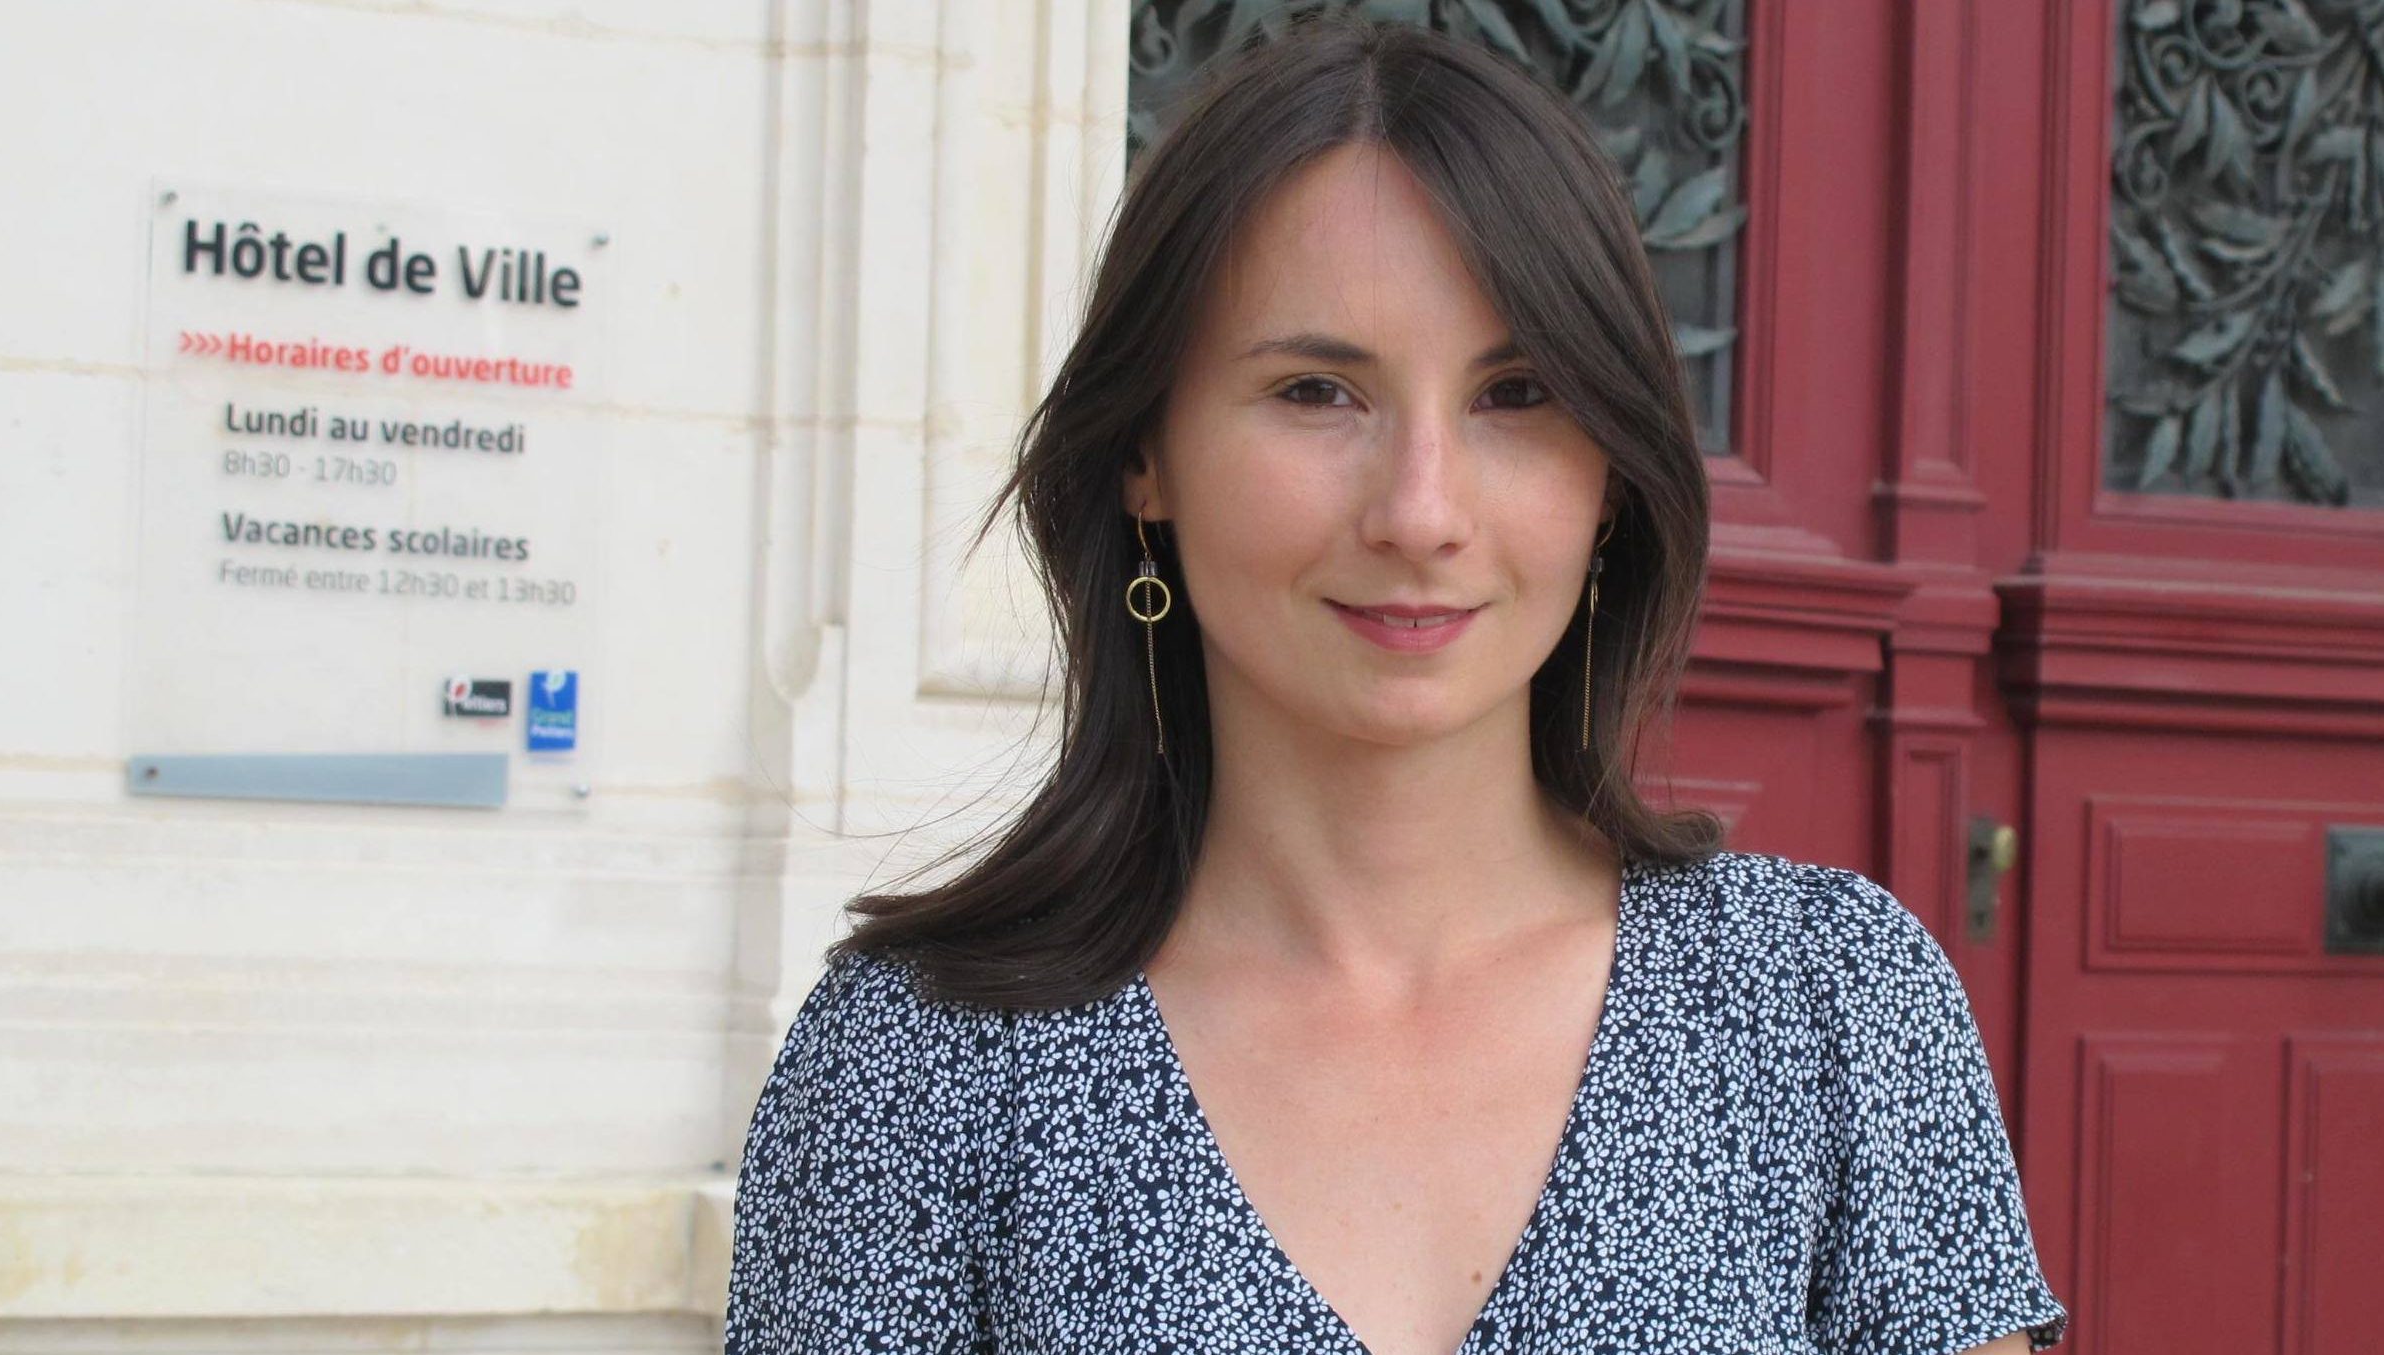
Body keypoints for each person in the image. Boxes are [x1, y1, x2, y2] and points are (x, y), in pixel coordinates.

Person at [725, 14, 2070, 1354]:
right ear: (1146, 456)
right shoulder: (915, 1065)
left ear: (1611, 476)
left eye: (1516, 394)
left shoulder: (1830, 1006)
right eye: (1317, 391)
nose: (1421, 513)